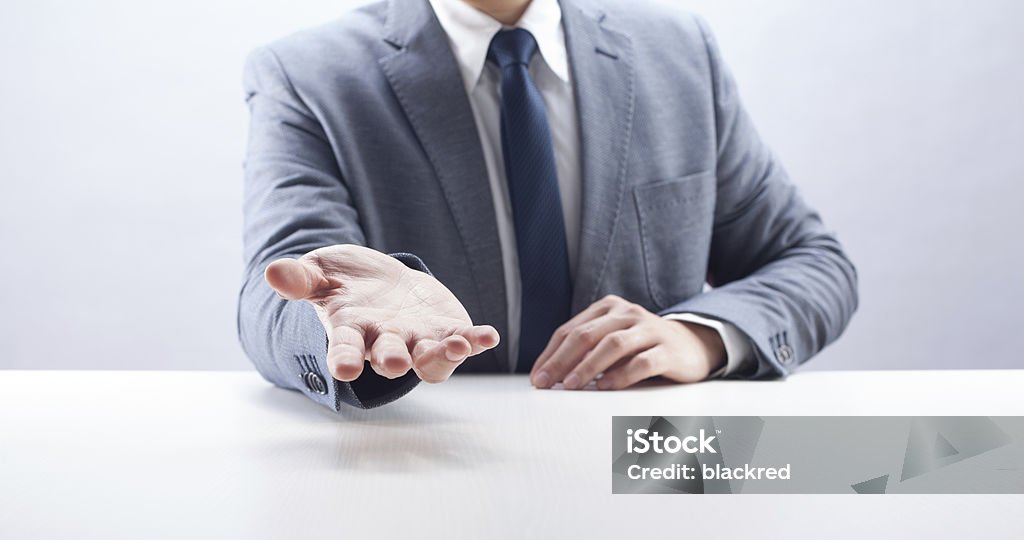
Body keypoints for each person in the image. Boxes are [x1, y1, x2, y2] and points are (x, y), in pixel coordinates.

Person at [238, 0, 858, 411]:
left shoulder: (680, 52)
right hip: (425, 473)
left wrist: (699, 337)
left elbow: (810, 262)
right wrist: (344, 322)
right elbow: (280, 289)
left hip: (647, 471)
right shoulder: (307, 75)